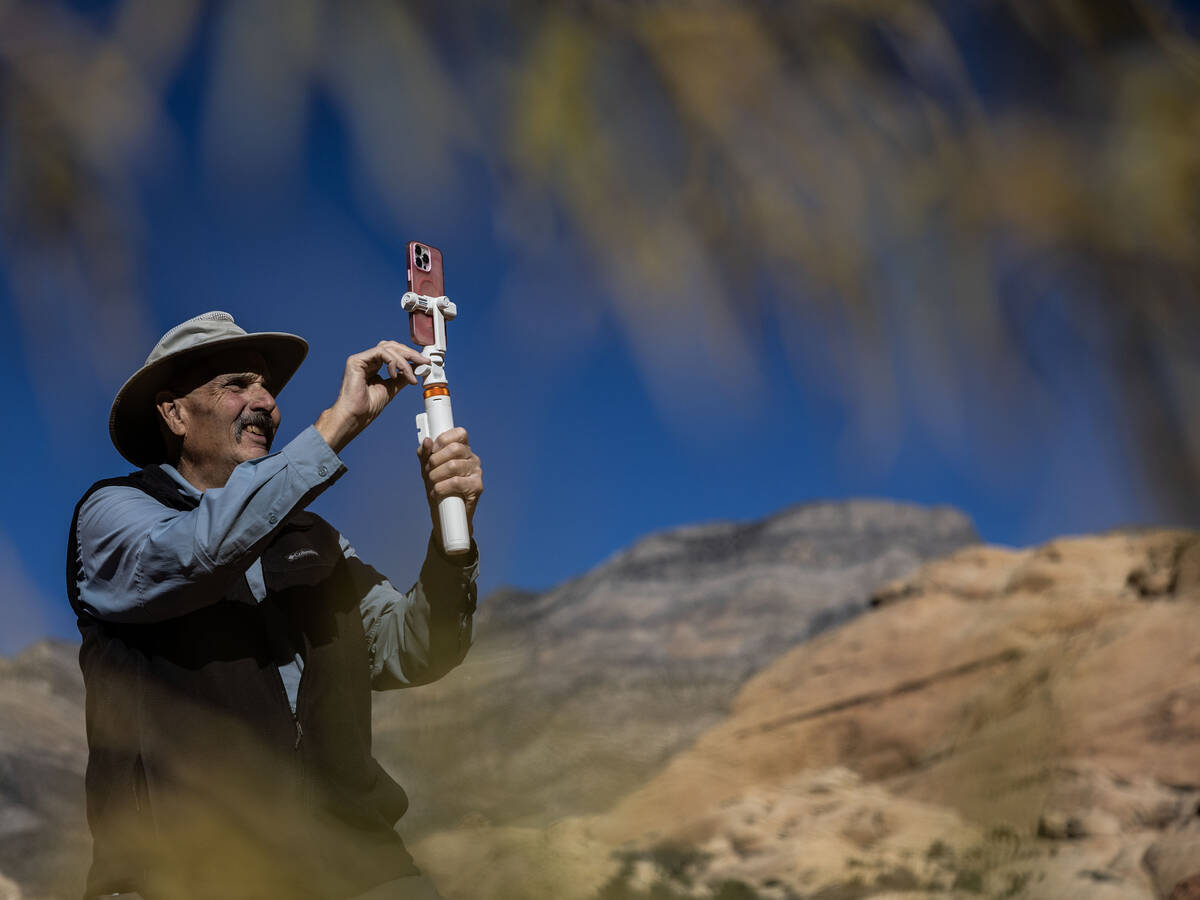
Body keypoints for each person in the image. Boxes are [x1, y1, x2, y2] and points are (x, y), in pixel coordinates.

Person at [66, 311, 483, 900]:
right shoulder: (114, 515)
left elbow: (414, 650)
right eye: (236, 385)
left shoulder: (312, 537)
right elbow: (197, 556)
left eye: (267, 387)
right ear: (174, 413)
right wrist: (334, 428)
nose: (266, 402)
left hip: (359, 866)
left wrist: (453, 535)